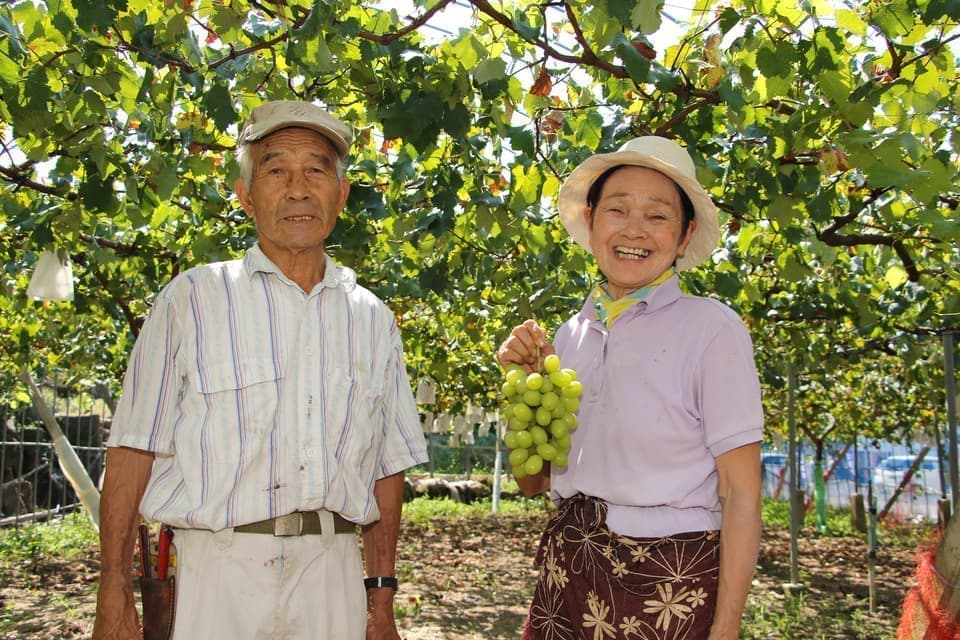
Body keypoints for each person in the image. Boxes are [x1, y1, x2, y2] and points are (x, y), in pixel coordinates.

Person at [92, 100, 429, 640]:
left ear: (341, 195)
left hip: (332, 575)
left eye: (317, 169)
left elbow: (387, 469)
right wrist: (113, 588)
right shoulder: (193, 299)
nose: (298, 188)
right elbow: (133, 446)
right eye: (276, 170)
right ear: (246, 195)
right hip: (217, 573)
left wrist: (380, 599)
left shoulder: (372, 318)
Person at [497, 136, 763, 640]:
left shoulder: (712, 329)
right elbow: (534, 483)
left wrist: (727, 625)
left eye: (657, 216)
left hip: (668, 581)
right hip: (568, 571)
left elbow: (741, 492)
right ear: (592, 220)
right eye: (617, 210)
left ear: (684, 237)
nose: (634, 229)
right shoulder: (569, 337)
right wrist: (525, 395)